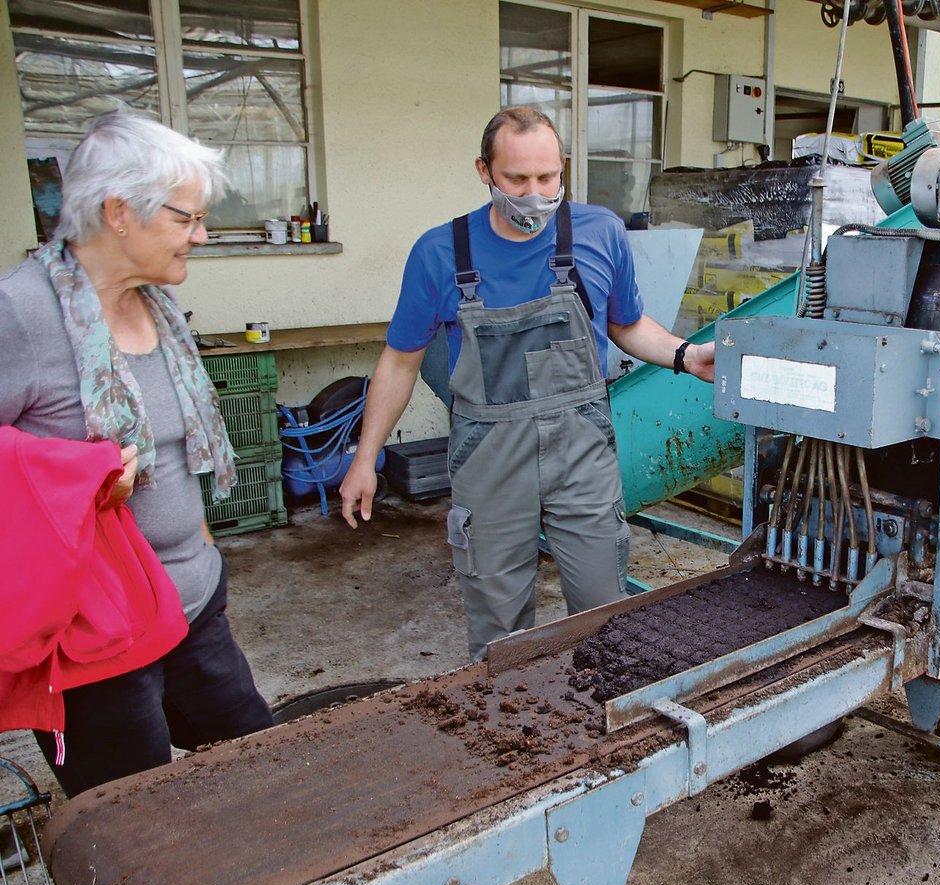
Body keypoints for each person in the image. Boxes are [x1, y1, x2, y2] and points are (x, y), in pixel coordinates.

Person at [340, 106, 715, 659]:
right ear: (484, 171)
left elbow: (626, 324)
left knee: (603, 611)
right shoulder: (439, 252)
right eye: (516, 179)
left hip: (581, 449)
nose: (534, 194)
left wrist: (686, 355)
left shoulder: (600, 233)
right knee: (499, 626)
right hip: (488, 452)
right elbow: (400, 362)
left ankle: (599, 705)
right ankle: (507, 709)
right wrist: (365, 458)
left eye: (547, 177)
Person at [0, 111, 274, 797]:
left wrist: (205, 553)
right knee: (136, 816)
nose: (201, 236)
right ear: (119, 213)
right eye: (188, 219)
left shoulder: (157, 306)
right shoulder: (20, 313)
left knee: (266, 770)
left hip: (193, 601)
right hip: (96, 638)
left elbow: (180, 455)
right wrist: (77, 478)